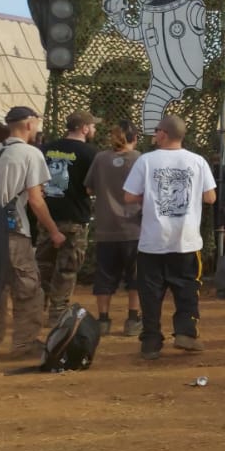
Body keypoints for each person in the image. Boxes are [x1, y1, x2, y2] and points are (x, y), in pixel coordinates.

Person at [121, 115, 215, 361]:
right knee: (187, 288)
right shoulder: (197, 161)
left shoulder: (146, 160)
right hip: (186, 240)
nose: (154, 135)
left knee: (150, 293)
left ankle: (151, 341)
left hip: (153, 240)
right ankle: (186, 332)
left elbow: (129, 196)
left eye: (156, 131)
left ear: (163, 133)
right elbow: (210, 197)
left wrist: (150, 198)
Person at [0, 107, 63, 360]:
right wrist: (54, 231)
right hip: (13, 230)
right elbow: (36, 200)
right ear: (28, 124)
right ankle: (24, 344)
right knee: (28, 289)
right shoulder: (30, 153)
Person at [37, 111, 98, 322]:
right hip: (74, 217)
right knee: (68, 268)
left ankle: (36, 308)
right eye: (92, 126)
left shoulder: (46, 149)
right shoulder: (90, 153)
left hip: (46, 215)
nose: (94, 130)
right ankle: (58, 312)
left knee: (43, 264)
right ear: (84, 128)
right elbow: (91, 188)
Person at [85, 120, 142, 336]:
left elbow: (89, 188)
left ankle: (103, 321)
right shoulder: (139, 159)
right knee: (135, 276)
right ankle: (133, 320)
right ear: (134, 139)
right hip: (133, 227)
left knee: (105, 276)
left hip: (105, 227)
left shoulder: (100, 158)